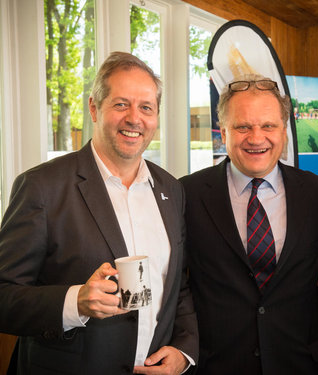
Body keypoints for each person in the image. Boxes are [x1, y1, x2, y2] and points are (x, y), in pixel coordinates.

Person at [0, 51, 198, 374]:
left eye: (146, 107)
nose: (134, 118)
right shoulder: (41, 187)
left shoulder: (171, 190)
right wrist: (75, 302)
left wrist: (184, 350)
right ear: (94, 107)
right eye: (121, 104)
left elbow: (178, 285)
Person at [180, 74, 318, 375]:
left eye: (268, 126)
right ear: (223, 131)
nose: (256, 137)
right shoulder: (187, 194)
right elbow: (175, 288)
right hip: (217, 365)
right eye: (243, 127)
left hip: (302, 363)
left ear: (284, 131)